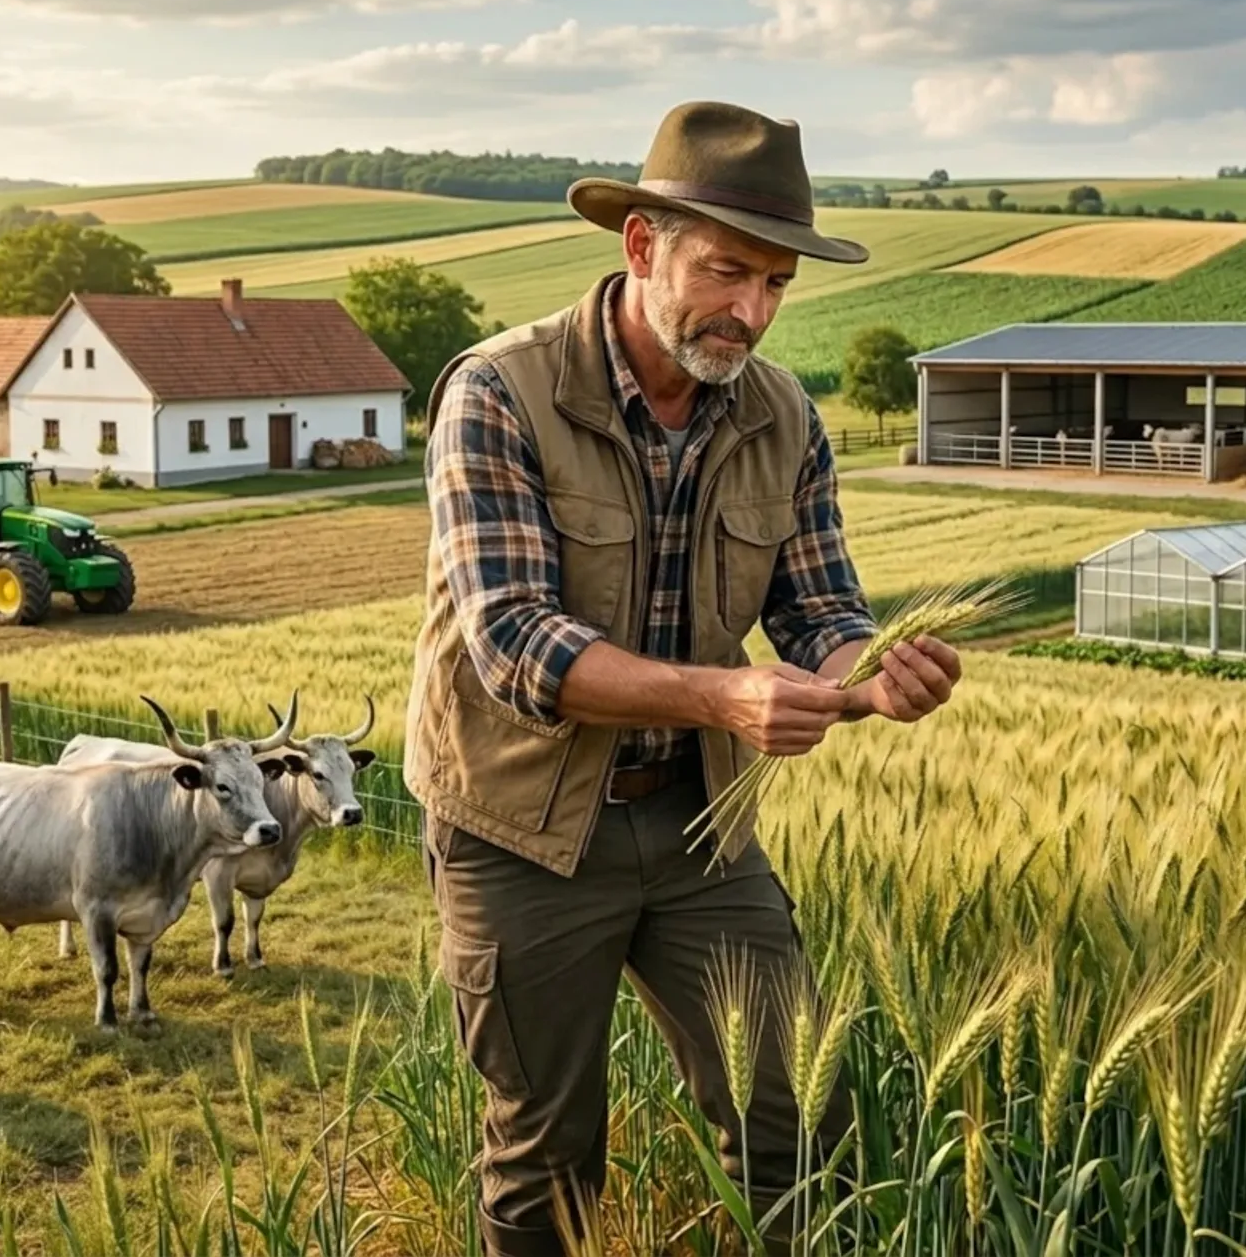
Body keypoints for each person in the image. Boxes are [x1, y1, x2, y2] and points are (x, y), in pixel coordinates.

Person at [404, 99, 964, 1257]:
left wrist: (873, 676)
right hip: (521, 829)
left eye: (775, 285)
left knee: (800, 1119)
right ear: (642, 245)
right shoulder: (499, 392)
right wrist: (723, 697)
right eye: (728, 272)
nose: (751, 312)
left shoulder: (782, 417)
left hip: (703, 825)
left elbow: (817, 609)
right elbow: (513, 642)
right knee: (547, 1155)